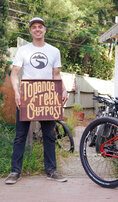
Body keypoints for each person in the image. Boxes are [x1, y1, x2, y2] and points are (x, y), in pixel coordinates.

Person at [5, 17, 68, 184]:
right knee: (20, 135)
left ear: (45, 30)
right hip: (27, 95)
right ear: (30, 31)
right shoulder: (23, 50)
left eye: (40, 26)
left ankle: (51, 170)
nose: (37, 29)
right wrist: (17, 93)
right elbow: (14, 73)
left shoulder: (54, 51)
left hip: (47, 96)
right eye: (34, 27)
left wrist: (64, 88)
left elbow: (56, 74)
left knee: (49, 134)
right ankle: (15, 171)